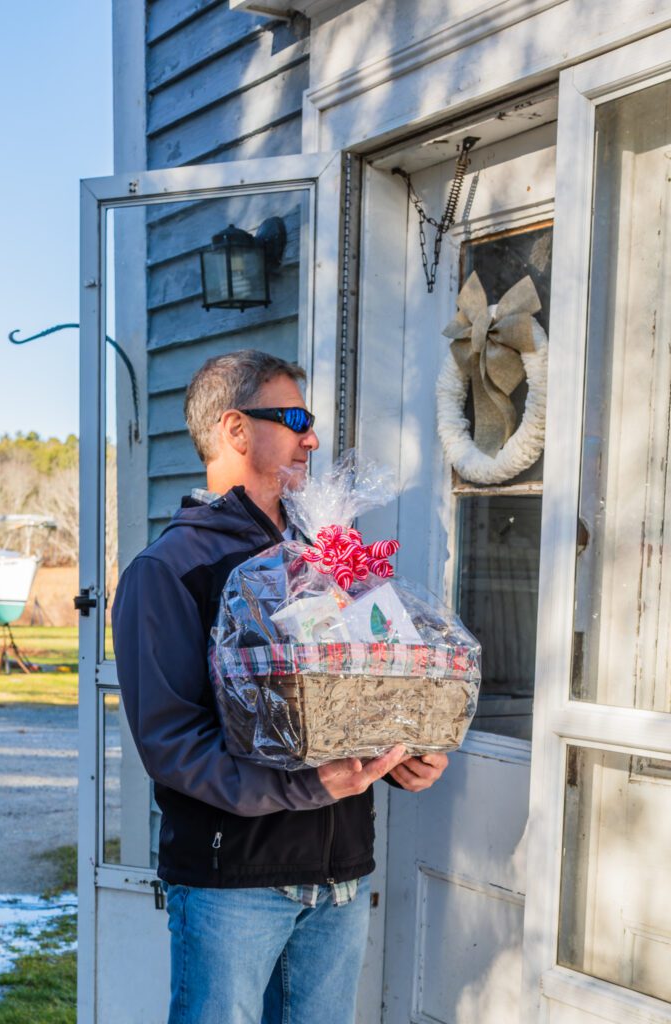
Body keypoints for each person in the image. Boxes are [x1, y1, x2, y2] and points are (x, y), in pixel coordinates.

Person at [112, 349, 448, 1024]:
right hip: (233, 885)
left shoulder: (327, 562)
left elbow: (355, 693)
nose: (313, 439)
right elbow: (173, 745)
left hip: (340, 875)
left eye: (310, 422)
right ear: (236, 430)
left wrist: (399, 753)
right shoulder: (170, 570)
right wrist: (304, 785)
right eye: (295, 418)